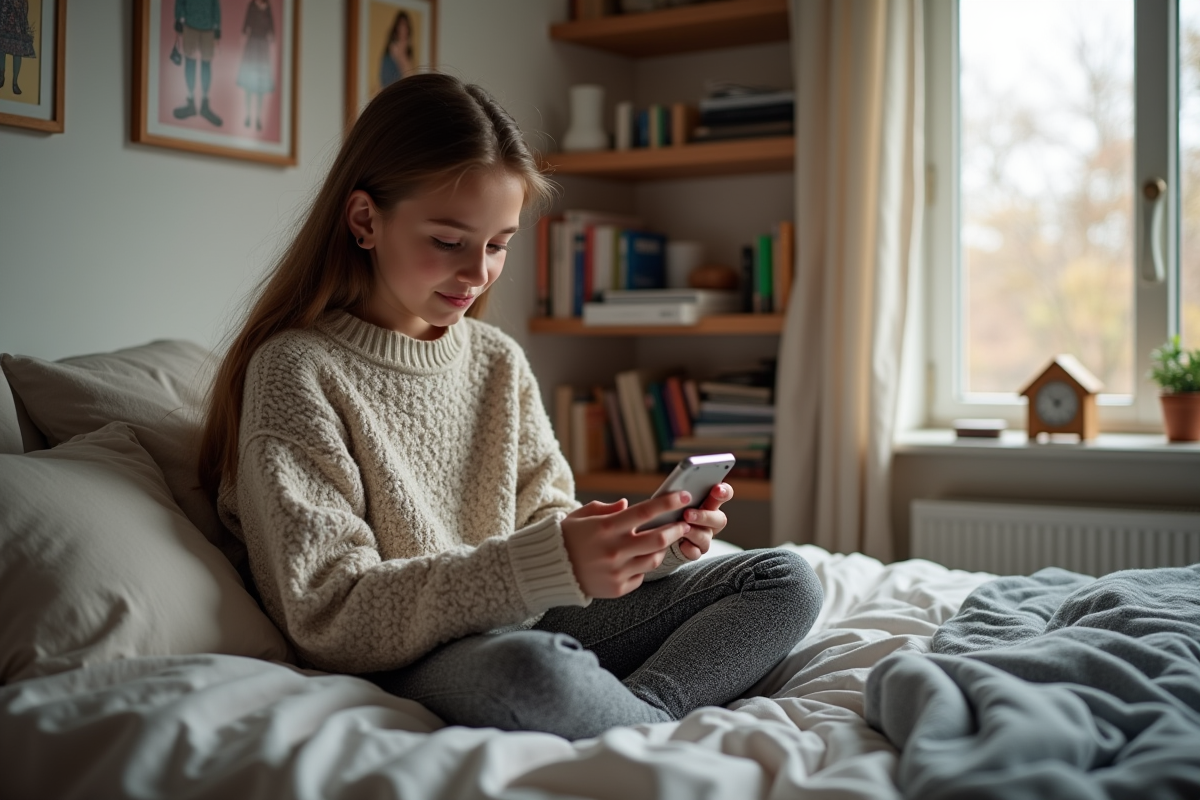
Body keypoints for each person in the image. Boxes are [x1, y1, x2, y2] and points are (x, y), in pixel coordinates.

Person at [198, 72, 822, 741]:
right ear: (364, 221)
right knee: (531, 674)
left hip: (534, 614)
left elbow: (545, 519)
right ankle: (623, 718)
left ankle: (646, 717)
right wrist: (544, 565)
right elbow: (329, 612)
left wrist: (640, 548)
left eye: (498, 244)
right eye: (448, 241)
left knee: (784, 578)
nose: (478, 273)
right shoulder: (296, 371)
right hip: (413, 654)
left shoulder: (494, 358)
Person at [173, 0, 223, 126]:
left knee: (206, 64)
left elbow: (215, 4)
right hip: (190, 25)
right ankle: (190, 103)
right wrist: (180, 17)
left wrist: (217, 27)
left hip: (208, 28)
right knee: (190, 61)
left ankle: (204, 105)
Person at [236, 0, 275, 131]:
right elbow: (245, 26)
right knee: (248, 84)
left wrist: (270, 36)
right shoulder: (252, 6)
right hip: (252, 46)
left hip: (263, 48)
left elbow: (272, 30)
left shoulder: (268, 7)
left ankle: (258, 117)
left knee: (260, 87)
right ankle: (248, 116)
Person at [0, 0, 35, 96]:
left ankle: (15, 82)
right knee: (1, 47)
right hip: (4, 13)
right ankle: (1, 76)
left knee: (18, 50)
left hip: (18, 16)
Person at [378, 10, 414, 88]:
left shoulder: (406, 53)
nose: (404, 30)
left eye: (406, 27)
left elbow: (411, 78)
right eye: (401, 26)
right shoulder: (393, 51)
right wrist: (400, 56)